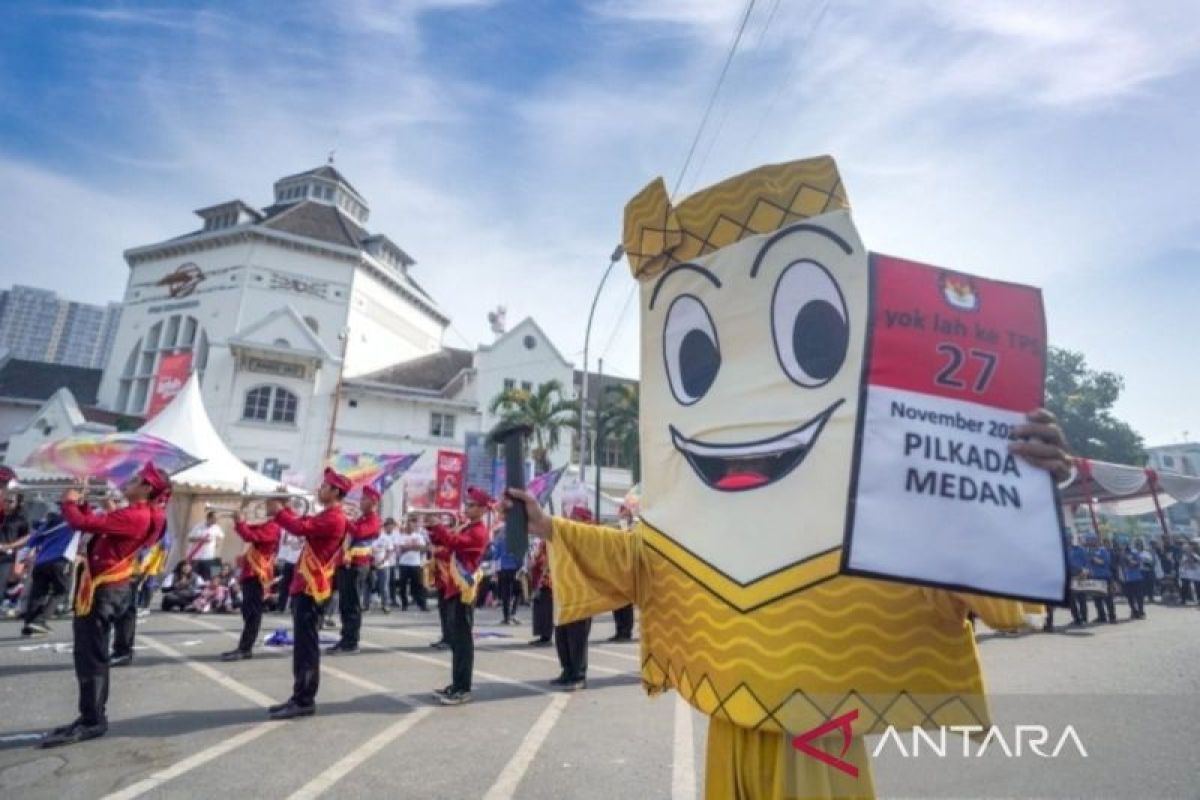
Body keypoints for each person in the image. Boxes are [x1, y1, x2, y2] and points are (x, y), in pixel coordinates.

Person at [40, 462, 169, 748]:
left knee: (91, 656)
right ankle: (91, 715)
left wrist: (70, 500)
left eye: (135, 479)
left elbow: (82, 524)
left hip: (105, 590)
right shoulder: (143, 512)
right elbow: (98, 525)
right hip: (109, 587)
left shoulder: (137, 514)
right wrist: (82, 503)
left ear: (146, 488)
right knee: (90, 654)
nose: (129, 482)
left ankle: (93, 720)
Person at [268, 468, 350, 720]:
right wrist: (284, 509)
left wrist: (279, 510)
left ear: (335, 491)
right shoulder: (327, 514)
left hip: (311, 588)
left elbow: (300, 528)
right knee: (302, 647)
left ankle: (304, 699)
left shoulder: (334, 517)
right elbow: (304, 525)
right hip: (306, 586)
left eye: (325, 486)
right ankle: (298, 696)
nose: (320, 489)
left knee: (306, 648)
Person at [428, 487, 491, 706]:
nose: (467, 507)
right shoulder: (468, 526)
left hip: (464, 589)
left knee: (463, 641)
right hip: (455, 586)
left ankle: (463, 688)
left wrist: (439, 527)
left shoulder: (479, 531)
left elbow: (456, 543)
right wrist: (432, 532)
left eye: (472, 505)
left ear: (483, 509)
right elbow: (451, 550)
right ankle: (456, 684)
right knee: (456, 640)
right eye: (467, 503)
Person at [111, 491, 170, 666]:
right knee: (125, 609)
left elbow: (154, 545)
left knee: (125, 609)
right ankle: (122, 649)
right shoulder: (149, 513)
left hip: (134, 566)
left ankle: (123, 650)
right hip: (128, 565)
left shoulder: (154, 516)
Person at [222, 499, 282, 661]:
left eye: (270, 504)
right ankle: (243, 647)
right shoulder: (269, 524)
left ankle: (245, 648)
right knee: (248, 611)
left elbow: (249, 536)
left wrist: (240, 521)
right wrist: (240, 520)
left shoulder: (274, 526)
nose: (266, 507)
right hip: (252, 571)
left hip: (258, 572)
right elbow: (248, 530)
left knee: (253, 613)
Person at [329, 485, 380, 654]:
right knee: (345, 603)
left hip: (358, 564)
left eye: (365, 499)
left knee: (352, 604)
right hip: (347, 563)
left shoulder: (373, 520)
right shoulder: (361, 518)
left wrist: (343, 517)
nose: (360, 501)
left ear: (373, 502)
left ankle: (351, 641)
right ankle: (345, 638)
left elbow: (358, 533)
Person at [11, 512, 80, 637]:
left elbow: (32, 540)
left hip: (41, 561)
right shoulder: (75, 519)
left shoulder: (48, 523)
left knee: (38, 593)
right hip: (61, 559)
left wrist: (21, 560)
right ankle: (40, 620)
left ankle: (29, 625)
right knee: (62, 591)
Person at [552, 507, 594, 690]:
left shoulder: (591, 538)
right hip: (564, 591)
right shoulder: (566, 538)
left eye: (575, 518)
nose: (570, 521)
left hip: (582, 593)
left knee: (578, 636)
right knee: (562, 634)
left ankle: (579, 675)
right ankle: (567, 669)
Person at [609, 505, 635, 643]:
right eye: (621, 516)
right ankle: (619, 630)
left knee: (625, 604)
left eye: (624, 516)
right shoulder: (618, 531)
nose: (622, 518)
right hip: (617, 573)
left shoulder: (633, 532)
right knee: (617, 604)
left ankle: (626, 631)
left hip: (627, 573)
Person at [0, 491, 31, 604]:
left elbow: (27, 537)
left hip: (6, 556)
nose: (7, 503)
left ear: (17, 503)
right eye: (6, 500)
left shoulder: (20, 519)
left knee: (1, 582)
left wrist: (9, 545)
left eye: (11, 501)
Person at [395, 516, 428, 611]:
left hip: (416, 564)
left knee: (419, 585)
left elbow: (423, 548)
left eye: (412, 525)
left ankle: (422, 604)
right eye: (408, 525)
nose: (410, 527)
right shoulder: (401, 536)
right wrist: (413, 547)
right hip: (404, 564)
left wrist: (408, 547)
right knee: (403, 585)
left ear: (414, 526)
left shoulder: (418, 536)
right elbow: (399, 549)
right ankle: (404, 604)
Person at [366, 516, 398, 613]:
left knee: (384, 586)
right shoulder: (369, 538)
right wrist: (371, 561)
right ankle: (365, 605)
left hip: (383, 566)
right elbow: (366, 551)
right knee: (368, 586)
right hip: (370, 565)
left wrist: (382, 561)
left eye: (378, 527)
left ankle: (386, 605)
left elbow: (389, 551)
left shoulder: (385, 538)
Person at [493, 523, 522, 624]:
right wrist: (520, 566)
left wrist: (496, 571)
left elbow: (496, 556)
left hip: (503, 569)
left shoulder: (500, 539)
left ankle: (506, 617)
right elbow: (519, 555)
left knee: (506, 594)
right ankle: (513, 614)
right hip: (514, 569)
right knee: (518, 592)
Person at [527, 535, 553, 647]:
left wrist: (543, 573)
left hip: (547, 580)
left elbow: (547, 561)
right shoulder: (542, 541)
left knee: (545, 609)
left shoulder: (549, 542)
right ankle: (543, 635)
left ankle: (546, 637)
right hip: (541, 579)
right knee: (540, 608)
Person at [1085, 535, 1117, 623]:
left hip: (1104, 577)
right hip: (1094, 577)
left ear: (1095, 541)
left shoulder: (1102, 550)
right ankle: (1101, 616)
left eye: (1090, 541)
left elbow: (1105, 562)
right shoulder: (1088, 551)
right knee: (1097, 599)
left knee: (1108, 598)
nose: (1088, 543)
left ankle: (1112, 616)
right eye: (1088, 541)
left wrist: (1094, 559)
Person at [185, 511, 224, 579]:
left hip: (209, 557)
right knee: (193, 576)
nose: (215, 521)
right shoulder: (198, 526)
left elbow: (221, 537)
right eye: (214, 518)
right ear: (208, 518)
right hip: (196, 557)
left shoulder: (217, 528)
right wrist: (200, 539)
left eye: (216, 519)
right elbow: (190, 538)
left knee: (206, 576)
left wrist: (217, 543)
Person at [275, 530, 303, 613]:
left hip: (299, 563)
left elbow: (298, 545)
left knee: (296, 586)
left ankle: (293, 607)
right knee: (284, 585)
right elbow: (285, 543)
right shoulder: (288, 532)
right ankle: (281, 607)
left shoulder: (304, 533)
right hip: (289, 560)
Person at [1117, 543, 1146, 620]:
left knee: (1139, 596)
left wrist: (1130, 561)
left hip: (1136, 577)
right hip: (1126, 578)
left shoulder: (1135, 553)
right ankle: (1134, 611)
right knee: (1129, 597)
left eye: (1125, 544)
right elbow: (1121, 566)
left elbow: (1138, 563)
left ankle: (1141, 612)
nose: (1124, 546)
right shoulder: (1121, 554)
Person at [1067, 535, 1090, 625]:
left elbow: (1087, 562)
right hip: (1069, 577)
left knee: (1082, 599)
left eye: (1069, 538)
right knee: (1071, 600)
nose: (1067, 539)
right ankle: (1076, 618)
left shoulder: (1080, 549)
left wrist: (1085, 572)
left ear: (1072, 539)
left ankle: (1084, 618)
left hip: (1080, 576)